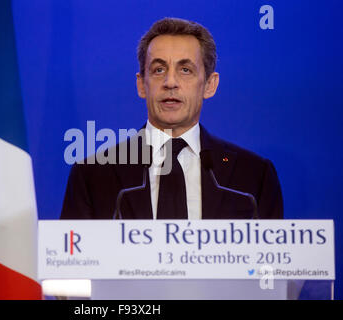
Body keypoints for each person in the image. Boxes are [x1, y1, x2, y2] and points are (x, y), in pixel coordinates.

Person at [60, 17, 283, 220]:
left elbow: (271, 261)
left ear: (209, 85)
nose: (170, 82)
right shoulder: (93, 175)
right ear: (141, 84)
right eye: (158, 70)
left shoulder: (253, 175)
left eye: (185, 70)